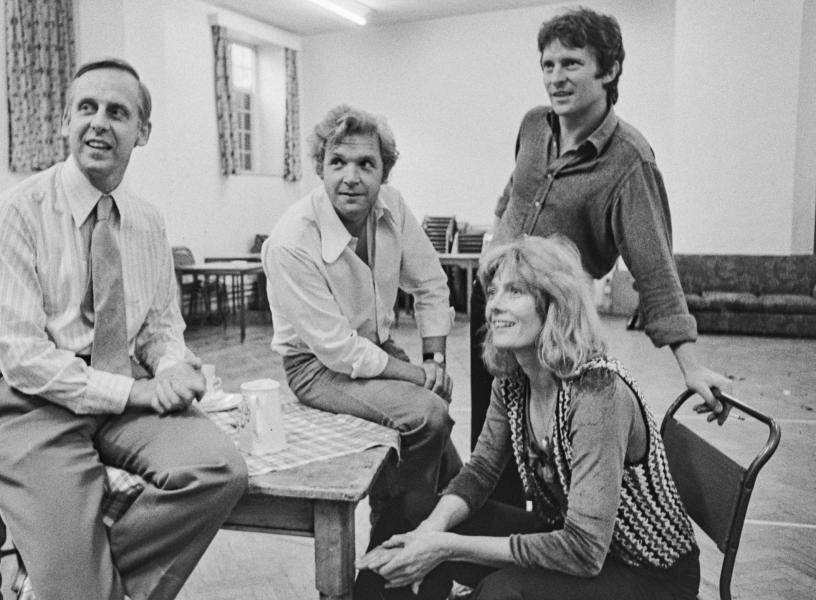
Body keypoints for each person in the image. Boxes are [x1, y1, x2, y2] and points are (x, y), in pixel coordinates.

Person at [0, 58, 248, 600]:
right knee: (76, 586)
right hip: (29, 404)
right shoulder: (14, 213)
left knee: (219, 470)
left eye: (117, 112)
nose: (99, 123)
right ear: (64, 122)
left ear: (142, 132)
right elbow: (24, 358)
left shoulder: (146, 220)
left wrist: (171, 368)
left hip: (120, 393)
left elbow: (162, 324)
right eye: (86, 108)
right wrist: (139, 391)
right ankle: (74, 584)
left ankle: (68, 583)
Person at [358, 235, 700, 600]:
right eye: (493, 292)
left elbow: (584, 551)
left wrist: (447, 546)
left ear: (555, 304)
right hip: (565, 536)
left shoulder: (597, 392)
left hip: (648, 574)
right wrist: (430, 531)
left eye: (515, 292)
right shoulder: (513, 380)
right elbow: (482, 470)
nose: (495, 306)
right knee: (410, 511)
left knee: (500, 592)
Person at [469, 7, 730, 473]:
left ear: (609, 71)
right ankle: (492, 527)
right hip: (495, 305)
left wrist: (689, 364)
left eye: (571, 64)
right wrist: (495, 257)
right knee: (496, 442)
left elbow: (655, 270)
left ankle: (561, 537)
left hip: (558, 321)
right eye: (547, 66)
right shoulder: (533, 126)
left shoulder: (629, 161)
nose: (555, 78)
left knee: (560, 453)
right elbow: (513, 194)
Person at [261, 104, 463, 598]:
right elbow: (337, 350)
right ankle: (401, 556)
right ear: (320, 166)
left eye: (366, 165)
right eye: (338, 163)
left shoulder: (392, 206)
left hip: (375, 345)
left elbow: (432, 283)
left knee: (452, 470)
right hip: (317, 365)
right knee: (429, 417)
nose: (351, 177)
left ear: (383, 172)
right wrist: (418, 377)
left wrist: (435, 359)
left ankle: (393, 561)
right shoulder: (291, 240)